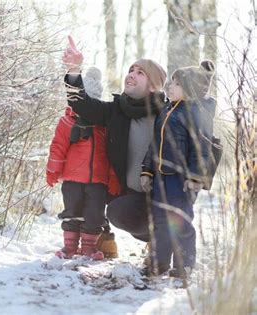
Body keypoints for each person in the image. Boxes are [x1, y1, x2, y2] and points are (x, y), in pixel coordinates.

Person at [61, 36, 166, 246]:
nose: (131, 75)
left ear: (154, 86)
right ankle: (104, 237)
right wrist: (74, 71)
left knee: (156, 221)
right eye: (131, 70)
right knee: (107, 203)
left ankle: (162, 242)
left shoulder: (167, 115)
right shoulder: (117, 110)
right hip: (126, 194)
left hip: (160, 198)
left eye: (140, 73)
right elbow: (83, 106)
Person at [140, 60, 216, 278]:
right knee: (160, 220)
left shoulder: (194, 113)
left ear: (189, 88)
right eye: (170, 83)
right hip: (161, 178)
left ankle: (184, 263)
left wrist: (194, 176)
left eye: (176, 84)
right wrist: (147, 171)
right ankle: (160, 261)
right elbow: (154, 144)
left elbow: (202, 147)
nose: (169, 87)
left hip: (180, 180)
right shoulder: (166, 111)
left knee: (180, 220)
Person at [47, 66, 121, 260]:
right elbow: (58, 147)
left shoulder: (104, 127)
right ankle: (69, 248)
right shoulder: (67, 122)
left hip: (98, 181)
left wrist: (113, 179)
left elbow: (112, 155)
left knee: (95, 215)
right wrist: (53, 171)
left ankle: (89, 248)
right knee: (72, 212)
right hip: (72, 179)